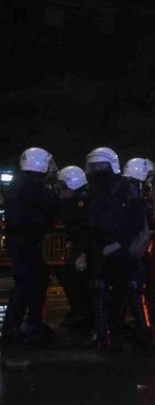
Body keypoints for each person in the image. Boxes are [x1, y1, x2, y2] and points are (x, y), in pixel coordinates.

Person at [85, 147, 155, 349]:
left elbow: (134, 220)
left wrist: (119, 243)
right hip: (101, 248)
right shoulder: (94, 191)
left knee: (134, 286)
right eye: (95, 165)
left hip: (121, 249)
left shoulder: (125, 188)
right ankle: (102, 332)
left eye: (102, 165)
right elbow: (89, 223)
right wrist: (87, 250)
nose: (98, 169)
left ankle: (143, 331)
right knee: (100, 288)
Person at [0, 148, 59, 347]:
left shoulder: (18, 184)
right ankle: (16, 327)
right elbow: (48, 210)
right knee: (28, 285)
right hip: (28, 242)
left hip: (21, 241)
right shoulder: (35, 188)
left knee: (31, 284)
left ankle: (28, 324)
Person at [123, 157, 155, 321]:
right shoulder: (131, 191)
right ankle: (142, 321)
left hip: (133, 245)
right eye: (148, 175)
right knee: (137, 280)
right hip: (130, 246)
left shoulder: (129, 188)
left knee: (141, 277)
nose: (150, 180)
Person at [55, 166, 92, 330]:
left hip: (84, 248)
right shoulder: (75, 201)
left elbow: (85, 229)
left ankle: (83, 312)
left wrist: (82, 253)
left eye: (63, 186)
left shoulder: (81, 203)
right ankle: (80, 310)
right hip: (79, 246)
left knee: (75, 279)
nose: (60, 191)